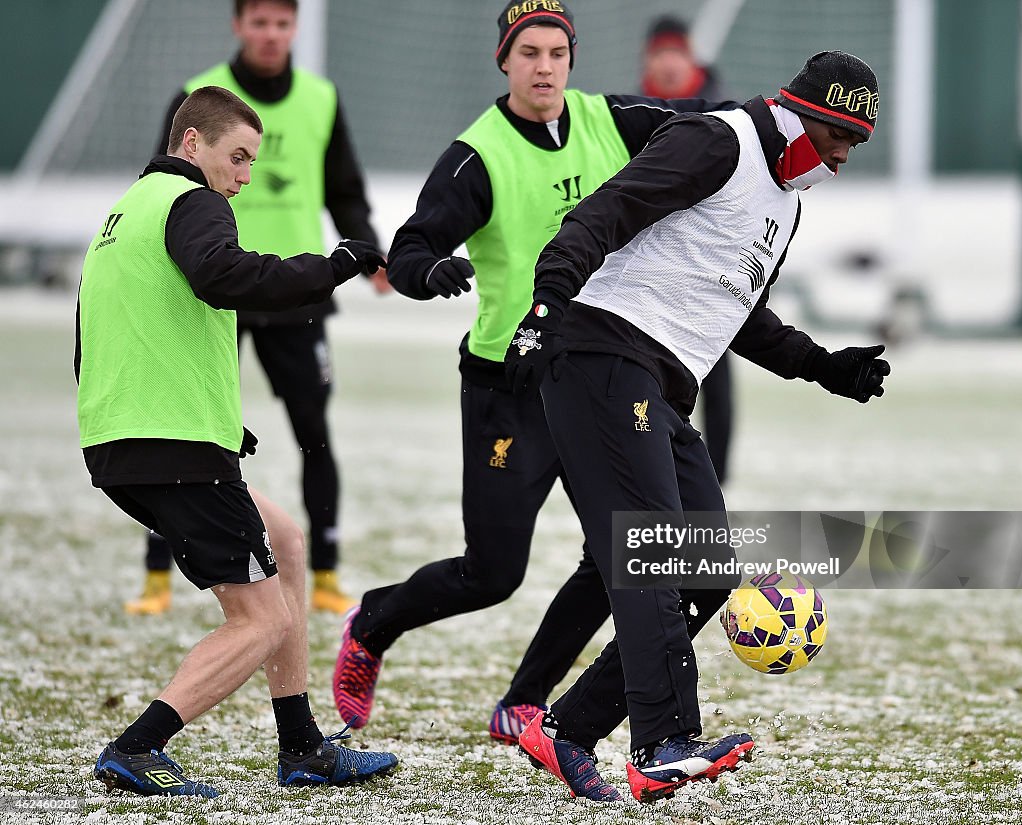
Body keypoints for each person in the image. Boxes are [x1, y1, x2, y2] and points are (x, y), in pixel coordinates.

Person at [332, 0, 731, 769]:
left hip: (598, 373)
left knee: (622, 552)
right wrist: (430, 271)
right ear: (504, 62)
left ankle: (525, 705)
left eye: (556, 52)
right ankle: (375, 624)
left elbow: (703, 123)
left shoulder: (610, 120)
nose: (544, 66)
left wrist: (774, 121)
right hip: (509, 385)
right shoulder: (476, 156)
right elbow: (411, 248)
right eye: (528, 53)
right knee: (493, 572)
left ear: (571, 60)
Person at [505, 51, 889, 803]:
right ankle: (663, 741)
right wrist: (545, 306)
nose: (843, 154)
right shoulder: (718, 140)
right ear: (795, 109)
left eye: (858, 143)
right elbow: (600, 215)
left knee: (708, 568)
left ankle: (568, 728)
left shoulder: (788, 204)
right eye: (837, 132)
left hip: (657, 386)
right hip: (600, 352)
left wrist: (824, 365)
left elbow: (739, 312)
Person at [78, 85, 397, 797]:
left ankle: (303, 747)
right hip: (171, 442)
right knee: (261, 618)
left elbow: (108, 331)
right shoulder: (191, 200)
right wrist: (333, 264)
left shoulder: (125, 212)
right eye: (239, 157)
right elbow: (226, 275)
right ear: (192, 144)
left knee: (284, 543)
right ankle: (137, 746)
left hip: (129, 438)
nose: (245, 175)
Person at [125, 0, 387, 617]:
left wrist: (370, 254)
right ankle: (156, 577)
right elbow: (162, 184)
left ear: (294, 28)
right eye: (259, 23)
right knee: (181, 428)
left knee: (314, 435)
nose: (271, 35)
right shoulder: (199, 98)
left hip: (296, 292)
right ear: (239, 26)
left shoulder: (321, 98)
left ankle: (323, 571)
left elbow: (344, 187)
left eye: (282, 23)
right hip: (213, 291)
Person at [641, 14, 734, 483]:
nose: (668, 63)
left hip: (714, 253)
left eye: (675, 53)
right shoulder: (637, 109)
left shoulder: (720, 108)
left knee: (715, 362)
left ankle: (716, 470)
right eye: (660, 54)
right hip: (660, 256)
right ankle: (668, 463)